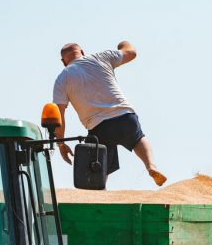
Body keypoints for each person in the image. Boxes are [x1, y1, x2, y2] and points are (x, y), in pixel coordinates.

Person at [52, 41, 166, 186]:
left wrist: (61, 144)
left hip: (99, 127)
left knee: (98, 168)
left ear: (63, 62)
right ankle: (151, 166)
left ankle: (99, 192)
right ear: (82, 51)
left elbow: (58, 115)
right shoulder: (101, 57)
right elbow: (131, 52)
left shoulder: (62, 78)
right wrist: (123, 44)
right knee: (138, 139)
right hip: (125, 116)